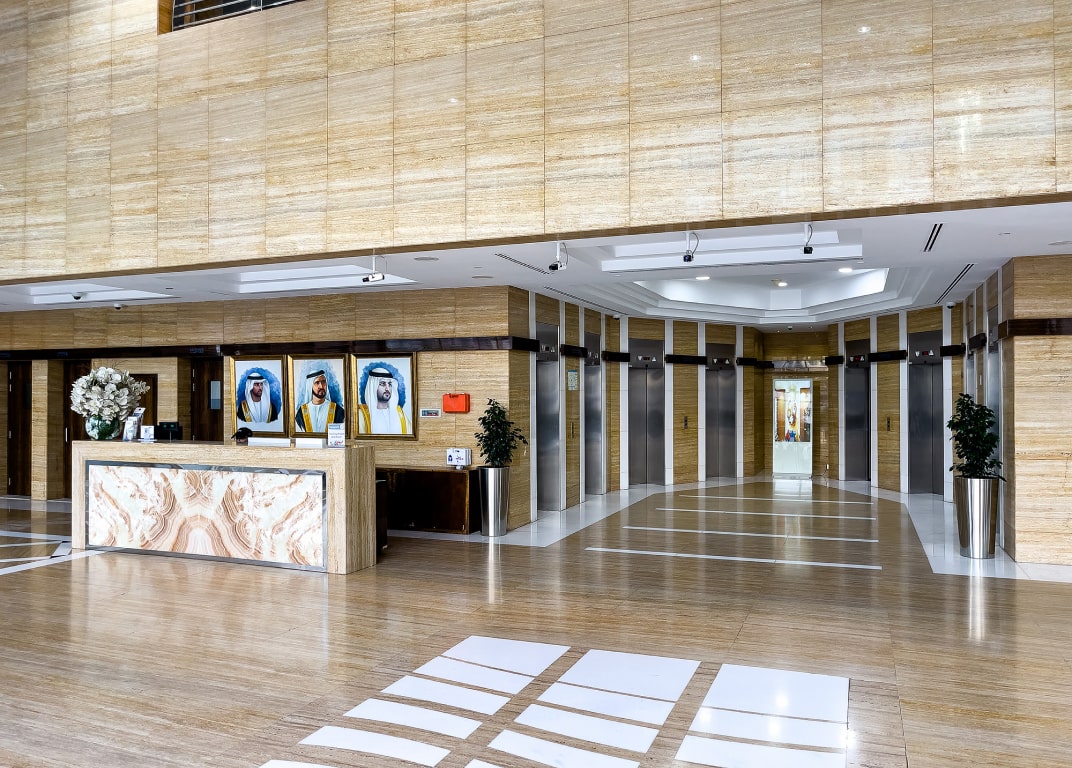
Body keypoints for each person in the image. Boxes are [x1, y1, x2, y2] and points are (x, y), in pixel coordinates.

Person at [358, 366, 409, 434]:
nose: (387, 388)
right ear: (373, 386)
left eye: (389, 384)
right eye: (382, 384)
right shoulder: (361, 415)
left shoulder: (400, 414)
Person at [294, 368, 345, 432]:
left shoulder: (338, 410)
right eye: (317, 383)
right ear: (310, 386)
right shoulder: (301, 412)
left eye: (323, 382)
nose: (321, 386)